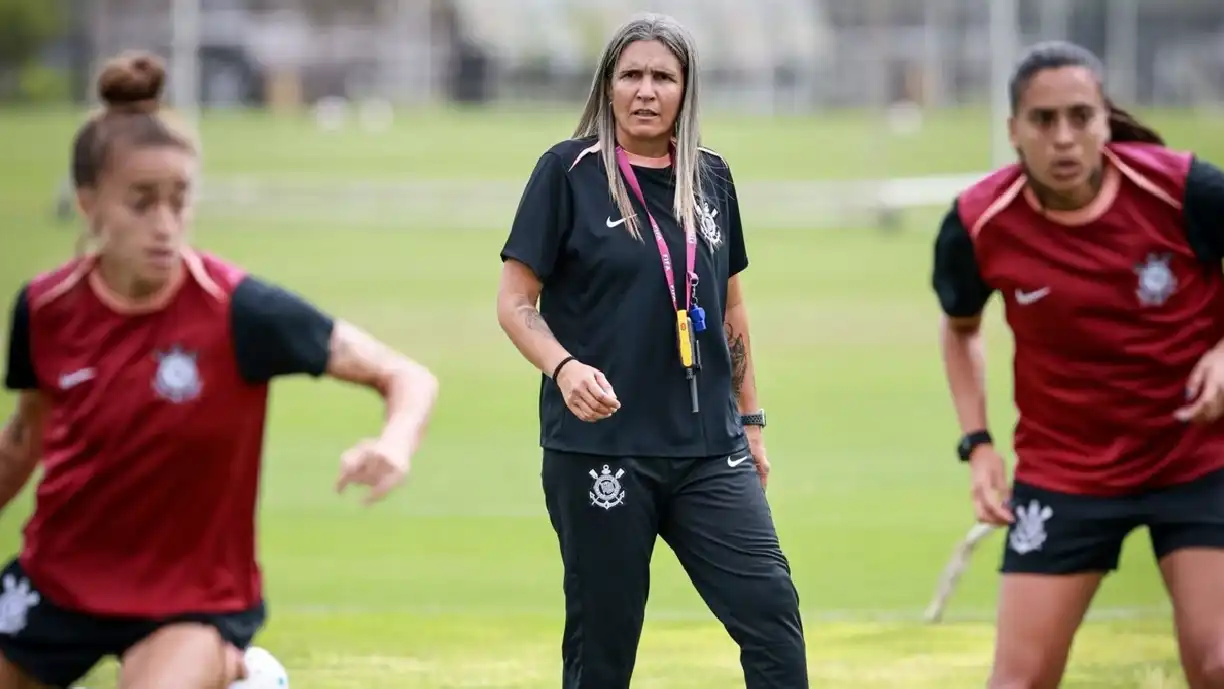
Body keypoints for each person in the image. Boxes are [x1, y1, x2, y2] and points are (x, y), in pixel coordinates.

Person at [0, 51, 439, 689]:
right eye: (141, 202)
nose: (165, 225)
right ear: (89, 202)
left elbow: (406, 375)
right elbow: (22, 441)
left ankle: (237, 669)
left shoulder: (238, 310)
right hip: (60, 579)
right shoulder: (44, 308)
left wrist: (394, 444)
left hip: (189, 596)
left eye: (179, 201)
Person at [495, 13, 807, 689]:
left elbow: (731, 307)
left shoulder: (714, 178)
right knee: (604, 645)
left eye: (662, 76)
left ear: (686, 89)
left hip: (708, 448)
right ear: (607, 86)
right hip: (602, 447)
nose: (645, 90)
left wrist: (751, 422)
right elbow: (515, 303)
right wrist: (564, 364)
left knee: (772, 612)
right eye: (630, 74)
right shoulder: (567, 172)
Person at [932, 40, 1224, 688]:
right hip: (1068, 467)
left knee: (1218, 662)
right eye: (1043, 120)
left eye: (1080, 116)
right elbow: (960, 331)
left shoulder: (1183, 189)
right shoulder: (979, 222)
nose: (1063, 138)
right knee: (1017, 681)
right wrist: (978, 443)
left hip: (1198, 456)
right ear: (1013, 130)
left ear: (1104, 119)